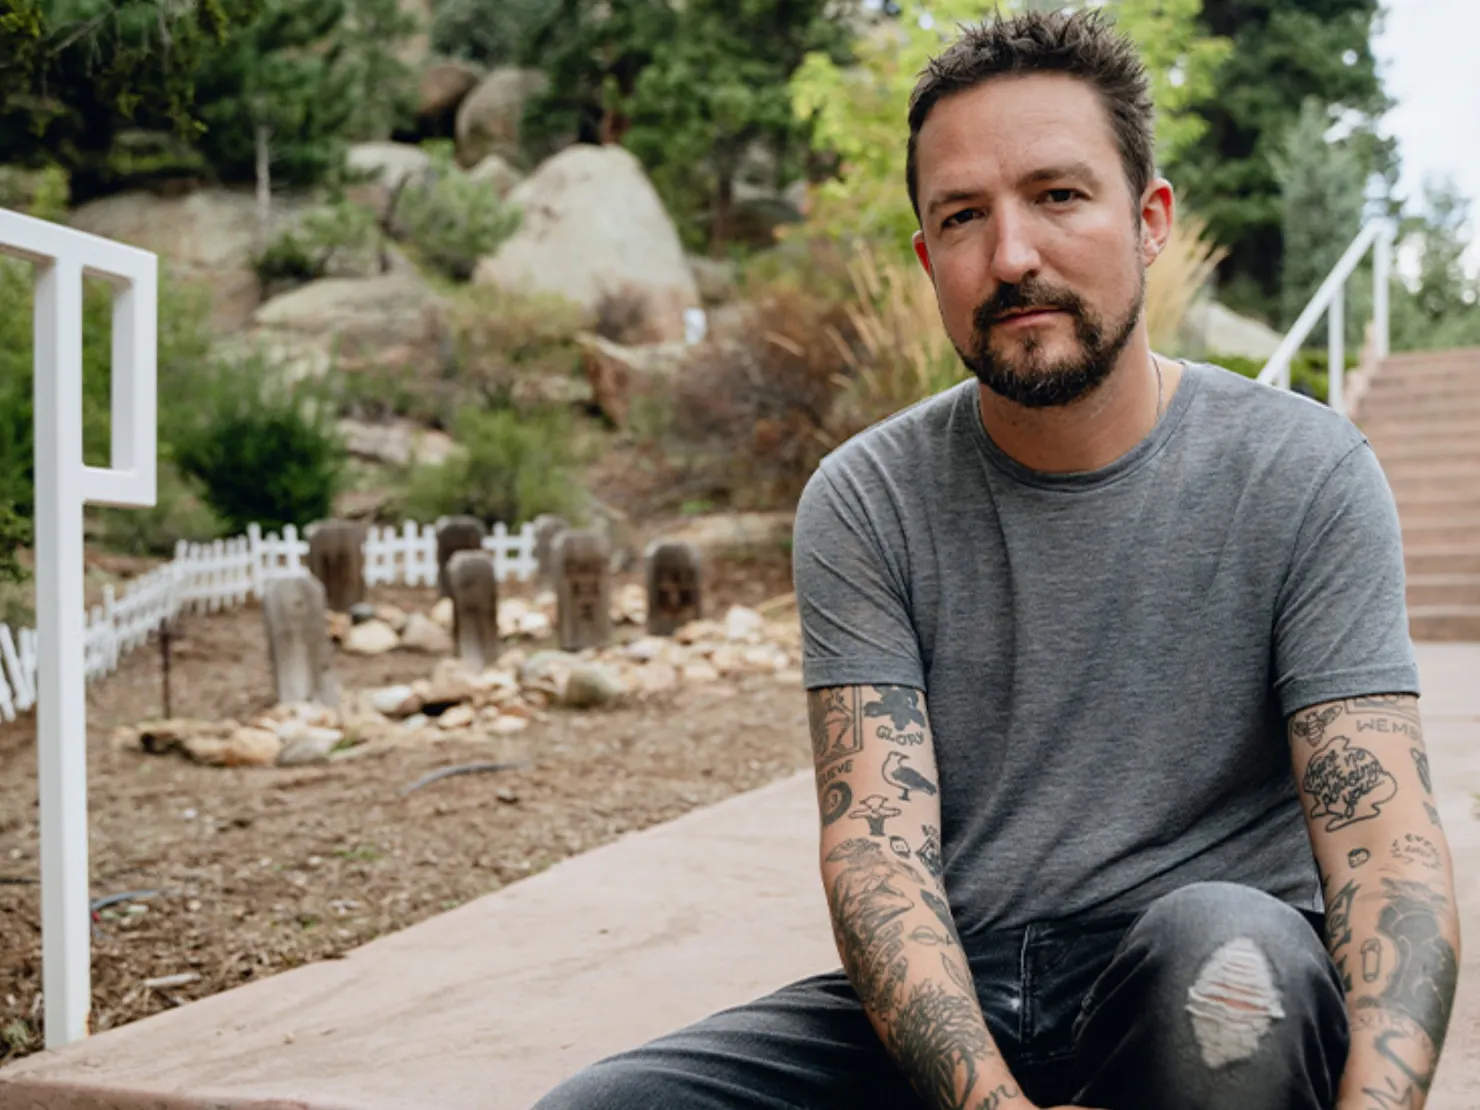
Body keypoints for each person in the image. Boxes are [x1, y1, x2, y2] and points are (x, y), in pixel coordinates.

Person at [532, 10, 1460, 1110]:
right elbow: (878, 860)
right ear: (928, 257)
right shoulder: (866, 499)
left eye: (1058, 196)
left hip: (1205, 990)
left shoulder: (1303, 471)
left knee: (1228, 961)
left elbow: (1382, 843)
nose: (1010, 256)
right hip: (959, 1000)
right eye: (963, 217)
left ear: (1149, 219)